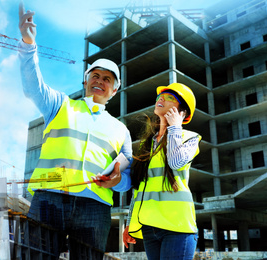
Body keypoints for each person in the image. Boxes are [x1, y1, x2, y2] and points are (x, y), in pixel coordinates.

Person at [18, 2, 132, 259]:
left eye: (107, 79)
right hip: (49, 198)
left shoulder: (120, 129)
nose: (99, 81)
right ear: (85, 79)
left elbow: (128, 179)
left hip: (94, 207)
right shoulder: (60, 105)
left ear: (114, 91)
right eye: (95, 75)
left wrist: (117, 181)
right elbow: (32, 87)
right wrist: (28, 45)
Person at [123, 83, 201, 260]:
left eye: (170, 97)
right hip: (149, 227)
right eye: (160, 96)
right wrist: (130, 223)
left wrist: (174, 127)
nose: (161, 99)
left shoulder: (190, 138)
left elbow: (175, 162)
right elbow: (139, 188)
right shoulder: (147, 143)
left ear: (183, 112)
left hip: (177, 227)